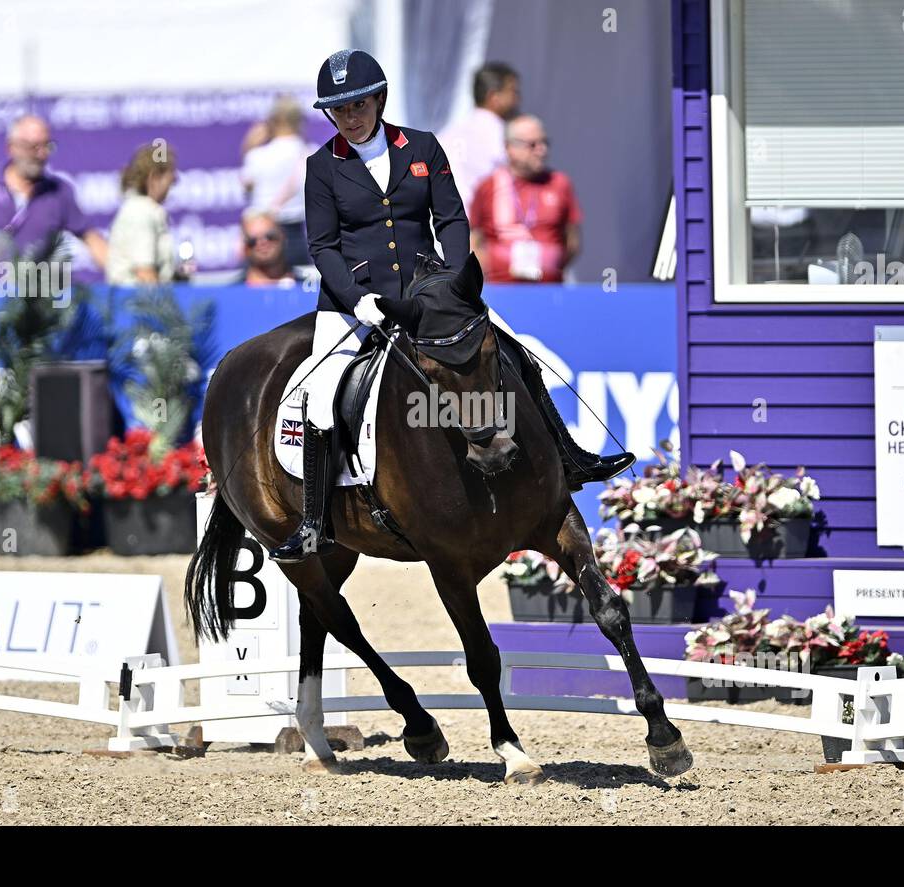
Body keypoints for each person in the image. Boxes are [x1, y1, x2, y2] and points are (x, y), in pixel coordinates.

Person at [270, 49, 633, 563]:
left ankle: (571, 458)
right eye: (338, 110)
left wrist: (456, 284)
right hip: (355, 302)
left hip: (430, 293)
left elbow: (453, 220)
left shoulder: (422, 147)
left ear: (378, 99)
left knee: (516, 352)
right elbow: (323, 247)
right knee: (319, 396)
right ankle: (313, 521)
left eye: (356, 106)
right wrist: (357, 302)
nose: (348, 118)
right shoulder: (322, 166)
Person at [0, 114, 108, 268]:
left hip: (40, 289)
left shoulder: (58, 191)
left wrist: (122, 278)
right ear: (11, 148)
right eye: (33, 147)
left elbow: (91, 238)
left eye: (46, 146)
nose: (41, 154)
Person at [469, 115, 582, 283]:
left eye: (544, 143)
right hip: (500, 293)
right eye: (532, 145)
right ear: (509, 148)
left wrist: (551, 266)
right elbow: (474, 241)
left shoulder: (559, 184)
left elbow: (572, 241)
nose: (541, 150)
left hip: (549, 291)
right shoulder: (488, 186)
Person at [240, 95, 314, 269]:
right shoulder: (310, 153)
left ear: (273, 121)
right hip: (295, 236)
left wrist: (247, 148)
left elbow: (246, 188)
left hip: (263, 238)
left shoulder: (257, 155)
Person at [438, 62, 521, 212]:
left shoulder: (448, 132)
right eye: (513, 92)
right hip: (485, 225)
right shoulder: (502, 135)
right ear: (493, 97)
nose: (517, 99)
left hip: (449, 224)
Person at [106, 143, 178, 285]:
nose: (173, 185)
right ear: (154, 178)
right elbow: (145, 276)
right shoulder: (141, 214)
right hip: (135, 305)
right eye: (171, 180)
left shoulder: (140, 210)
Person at [240, 210, 297, 286]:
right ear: (245, 246)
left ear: (283, 236)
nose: (262, 242)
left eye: (270, 236)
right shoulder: (230, 293)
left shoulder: (310, 285)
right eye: (253, 240)